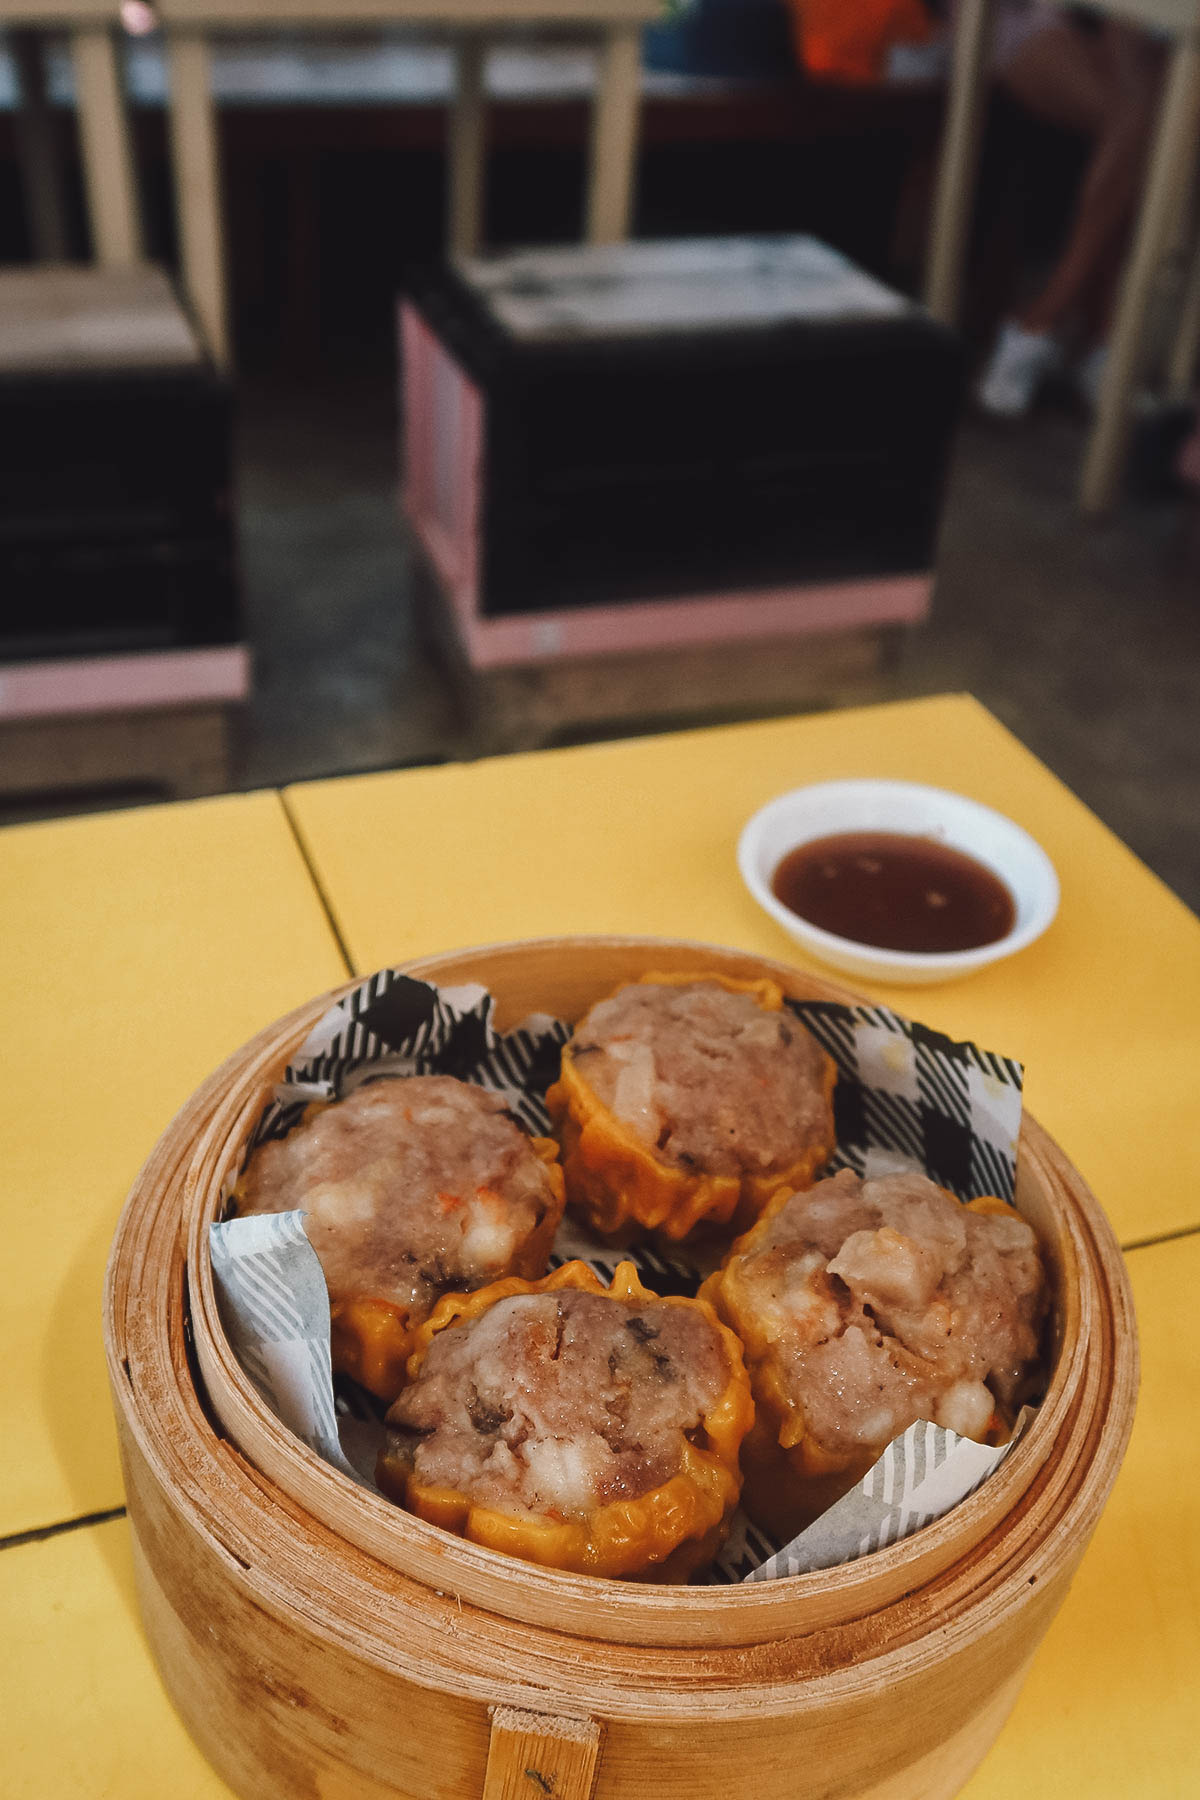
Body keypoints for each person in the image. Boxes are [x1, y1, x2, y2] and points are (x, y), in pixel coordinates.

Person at [976, 7, 1163, 417]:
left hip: (1116, 35)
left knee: (1147, 103)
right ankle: (1080, 329)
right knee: (1151, 127)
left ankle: (1051, 323)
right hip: (1013, 20)